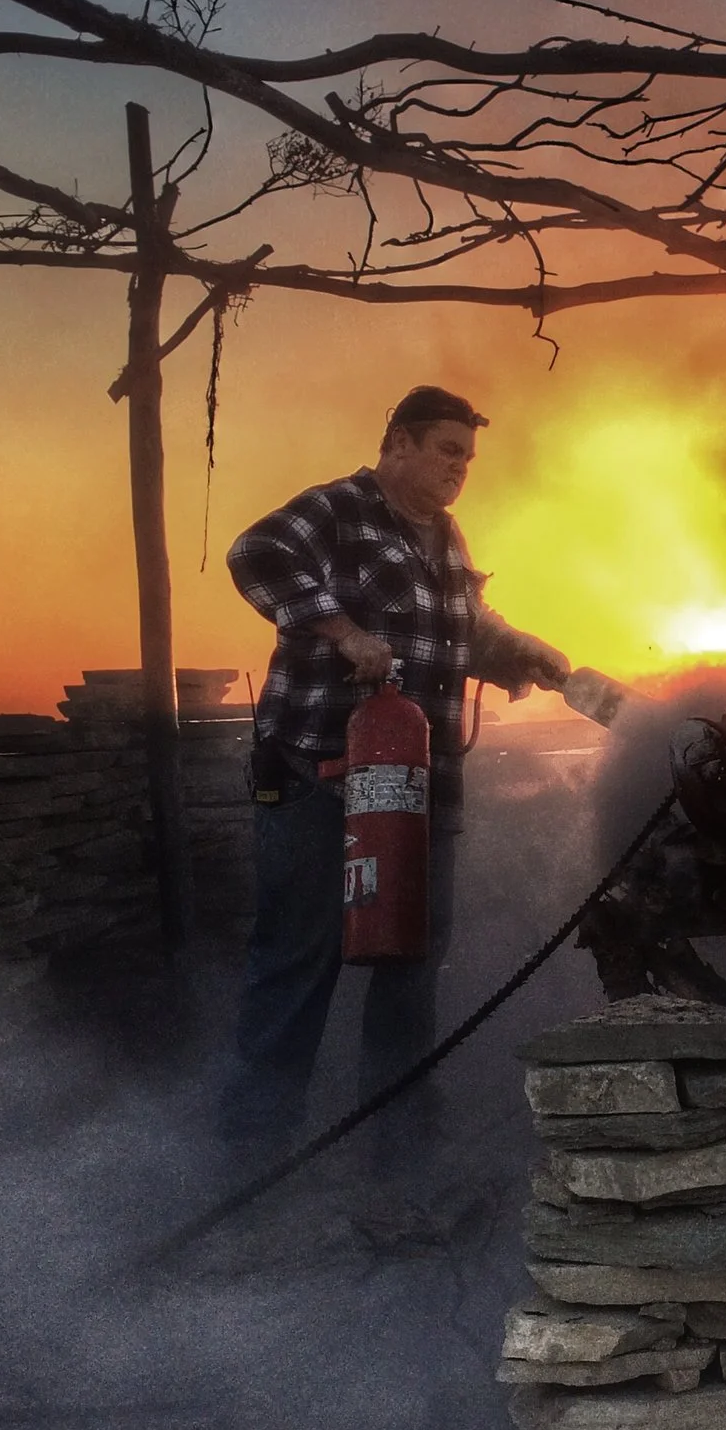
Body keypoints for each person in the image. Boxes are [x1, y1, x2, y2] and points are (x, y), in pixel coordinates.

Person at [220, 385, 570, 1146]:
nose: (459, 468)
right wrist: (344, 632)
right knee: (299, 957)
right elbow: (255, 554)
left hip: (421, 784)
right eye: (447, 450)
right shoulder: (338, 508)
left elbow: (467, 626)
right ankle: (255, 1154)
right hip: (319, 771)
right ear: (400, 443)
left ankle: (398, 1152)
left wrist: (520, 650)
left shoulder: (445, 537)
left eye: (468, 457)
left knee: (413, 959)